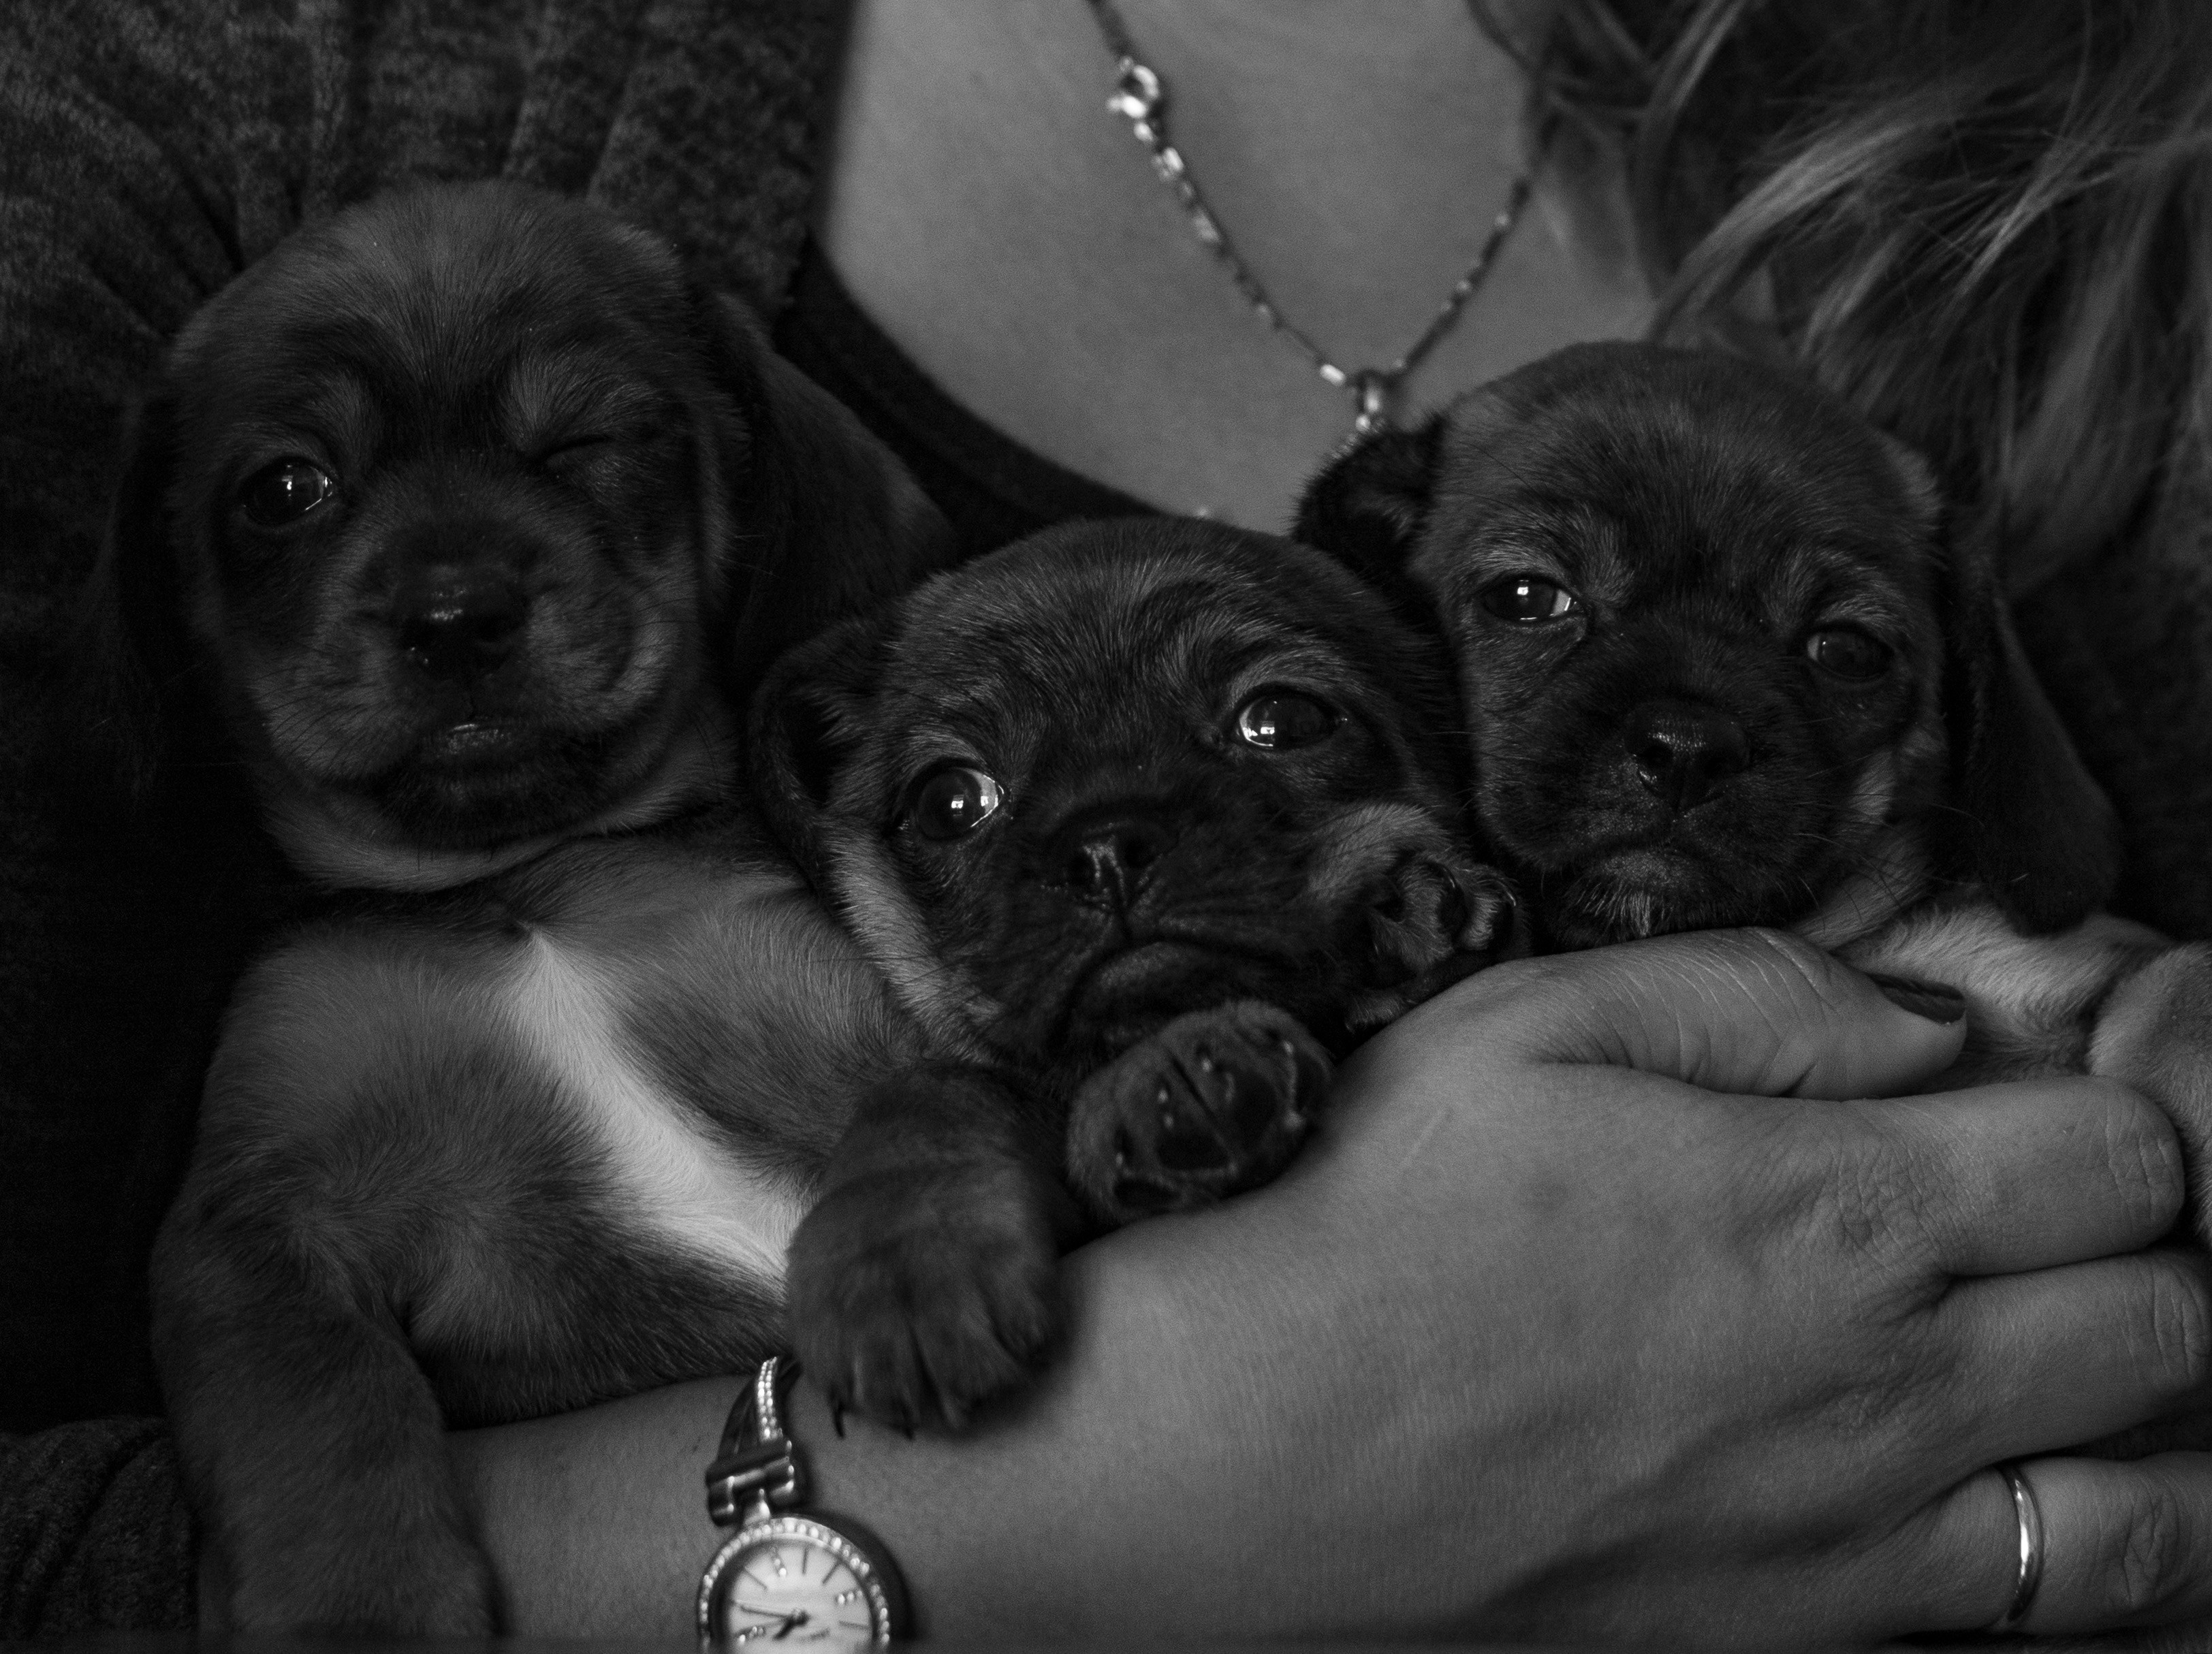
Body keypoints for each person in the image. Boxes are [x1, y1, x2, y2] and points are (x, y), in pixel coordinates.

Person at [3, 0, 2211, 1640]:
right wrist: (1136, 1505)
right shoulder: (237, 77)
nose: (459, 587)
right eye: (291, 500)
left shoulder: (2102, 128)